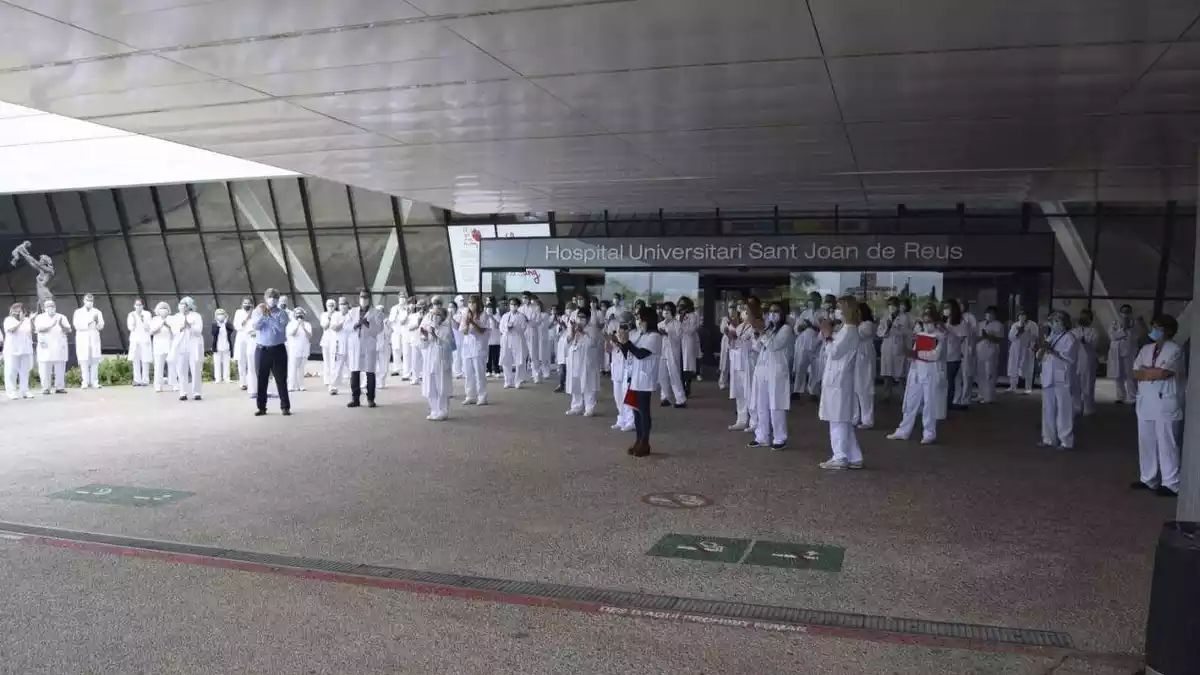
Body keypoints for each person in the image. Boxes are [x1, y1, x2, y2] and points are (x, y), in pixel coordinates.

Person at [1131, 315, 1184, 496]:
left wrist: (1147, 371)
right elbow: (1135, 372)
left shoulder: (1175, 349)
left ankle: (1171, 482)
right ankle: (1148, 478)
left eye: (1158, 327)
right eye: (1153, 327)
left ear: (1169, 330)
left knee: (1167, 442)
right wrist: (1150, 372)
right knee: (1146, 441)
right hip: (1146, 400)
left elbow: (1164, 373)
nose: (1154, 331)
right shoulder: (1146, 349)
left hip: (1165, 400)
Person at [889, 305, 948, 444]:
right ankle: (903, 431)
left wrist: (916, 354)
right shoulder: (921, 335)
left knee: (929, 403)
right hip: (917, 371)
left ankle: (929, 433)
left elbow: (935, 355)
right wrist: (910, 354)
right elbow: (915, 351)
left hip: (931, 372)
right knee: (910, 402)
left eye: (929, 321)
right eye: (925, 321)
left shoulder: (940, 337)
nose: (927, 325)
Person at [818, 296, 864, 470]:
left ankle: (840, 456)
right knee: (842, 418)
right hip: (837, 379)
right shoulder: (844, 329)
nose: (836, 311)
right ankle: (854, 456)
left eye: (839, 307)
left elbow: (835, 352)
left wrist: (828, 335)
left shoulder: (849, 330)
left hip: (840, 379)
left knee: (837, 418)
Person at [615, 306, 661, 457]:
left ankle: (645, 442)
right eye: (638, 319)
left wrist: (626, 342)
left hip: (645, 379)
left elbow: (641, 354)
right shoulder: (639, 335)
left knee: (643, 411)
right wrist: (620, 343)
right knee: (635, 411)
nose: (639, 322)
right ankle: (638, 440)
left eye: (641, 319)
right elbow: (628, 353)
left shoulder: (654, 337)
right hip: (634, 377)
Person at [748, 302, 794, 450]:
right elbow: (758, 347)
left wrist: (763, 332)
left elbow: (775, 345)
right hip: (762, 369)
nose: (772, 314)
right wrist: (758, 334)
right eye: (771, 311)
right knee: (761, 404)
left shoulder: (786, 329)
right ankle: (761, 436)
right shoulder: (770, 328)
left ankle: (779, 438)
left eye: (776, 311)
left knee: (776, 405)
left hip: (777, 370)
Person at [1037, 310, 1079, 450]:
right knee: (1048, 409)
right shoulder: (1051, 336)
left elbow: (1069, 357)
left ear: (1064, 323)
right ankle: (1049, 438)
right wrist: (1041, 349)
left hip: (1062, 377)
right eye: (1053, 322)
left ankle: (1066, 441)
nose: (1054, 324)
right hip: (1048, 376)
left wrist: (1051, 350)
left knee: (1064, 409)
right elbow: (1041, 355)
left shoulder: (1070, 338)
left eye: (1057, 322)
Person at [251, 288, 292, 416]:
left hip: (278, 349)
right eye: (270, 297)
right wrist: (264, 314)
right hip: (262, 349)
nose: (272, 300)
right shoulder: (258, 311)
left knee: (281, 379)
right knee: (261, 379)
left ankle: (285, 407)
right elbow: (256, 326)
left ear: (278, 299)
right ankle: (261, 407)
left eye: (275, 297)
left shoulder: (282, 313)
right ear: (265, 298)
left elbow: (280, 328)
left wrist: (269, 315)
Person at [342, 291, 383, 409]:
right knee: (355, 371)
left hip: (369, 344)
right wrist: (356, 324)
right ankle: (355, 399)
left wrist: (368, 324)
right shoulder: (352, 312)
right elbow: (346, 327)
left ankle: (370, 399)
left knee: (370, 372)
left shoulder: (376, 313)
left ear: (370, 299)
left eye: (365, 297)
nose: (363, 299)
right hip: (355, 344)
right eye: (362, 297)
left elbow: (379, 328)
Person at [565, 305, 602, 416]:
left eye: (583, 317)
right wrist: (572, 333)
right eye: (578, 317)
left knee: (588, 383)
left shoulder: (592, 329)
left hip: (587, 361)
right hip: (575, 359)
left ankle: (590, 407)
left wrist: (582, 333)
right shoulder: (573, 327)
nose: (580, 320)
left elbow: (592, 343)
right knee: (575, 382)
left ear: (588, 318)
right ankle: (576, 406)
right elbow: (567, 341)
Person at [728, 302, 759, 432]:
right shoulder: (740, 326)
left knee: (750, 392)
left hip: (749, 362)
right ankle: (741, 420)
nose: (743, 313)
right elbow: (733, 342)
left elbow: (757, 346)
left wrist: (747, 341)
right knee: (740, 392)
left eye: (746, 311)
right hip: (737, 361)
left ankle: (754, 421)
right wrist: (731, 337)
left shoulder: (755, 327)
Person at [420, 304, 454, 420]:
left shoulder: (446, 327)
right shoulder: (429, 326)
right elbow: (424, 345)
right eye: (432, 314)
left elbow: (446, 344)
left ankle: (443, 411)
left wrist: (434, 334)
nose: (434, 317)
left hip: (441, 361)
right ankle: (434, 410)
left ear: (443, 316)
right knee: (431, 385)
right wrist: (424, 336)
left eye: (437, 314)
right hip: (430, 360)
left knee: (442, 385)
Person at [170, 296, 205, 401]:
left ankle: (197, 392)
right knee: (181, 369)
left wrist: (190, 326)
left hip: (193, 345)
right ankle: (183, 392)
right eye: (181, 304)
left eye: (184, 304)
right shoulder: (176, 316)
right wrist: (181, 327)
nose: (182, 306)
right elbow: (174, 330)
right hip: (181, 346)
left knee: (195, 369)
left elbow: (199, 330)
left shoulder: (196, 316)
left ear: (189, 306)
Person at [877, 296, 911, 402]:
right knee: (887, 374)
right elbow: (879, 332)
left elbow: (907, 332)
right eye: (890, 305)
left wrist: (896, 328)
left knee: (901, 374)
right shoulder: (885, 316)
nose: (892, 307)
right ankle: (887, 395)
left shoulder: (904, 317)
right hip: (887, 347)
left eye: (894, 305)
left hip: (899, 347)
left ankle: (905, 396)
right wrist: (887, 328)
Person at [33, 299, 71, 395]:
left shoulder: (61, 317)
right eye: (49, 306)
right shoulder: (40, 318)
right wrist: (52, 325)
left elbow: (68, 329)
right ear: (44, 308)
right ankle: (46, 388)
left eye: (52, 306)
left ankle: (60, 387)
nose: (51, 308)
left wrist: (62, 326)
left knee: (60, 369)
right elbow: (39, 329)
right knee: (45, 369)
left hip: (59, 347)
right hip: (45, 347)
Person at [608, 310, 636, 431]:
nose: (622, 325)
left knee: (628, 395)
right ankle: (621, 419)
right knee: (618, 395)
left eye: (624, 322)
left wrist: (623, 342)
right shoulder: (617, 333)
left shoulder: (634, 334)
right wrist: (611, 340)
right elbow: (609, 349)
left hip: (628, 368)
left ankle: (631, 421)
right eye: (620, 322)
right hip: (617, 367)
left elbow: (631, 350)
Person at [460, 295, 490, 406]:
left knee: (479, 373)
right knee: (468, 373)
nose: (471, 305)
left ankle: (482, 396)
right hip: (467, 347)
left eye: (473, 303)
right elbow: (464, 332)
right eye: (469, 303)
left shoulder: (483, 315)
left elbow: (482, 331)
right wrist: (467, 322)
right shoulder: (465, 314)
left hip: (479, 347)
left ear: (478, 304)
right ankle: (470, 396)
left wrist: (472, 322)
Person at [657, 301, 687, 408]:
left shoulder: (677, 324)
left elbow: (679, 337)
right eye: (664, 309)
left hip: (672, 352)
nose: (666, 312)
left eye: (668, 310)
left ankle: (680, 399)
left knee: (674, 375)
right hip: (662, 352)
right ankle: (665, 397)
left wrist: (667, 334)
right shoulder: (659, 324)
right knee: (662, 376)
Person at [72, 293, 105, 389]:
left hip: (94, 338)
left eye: (91, 301)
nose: (89, 303)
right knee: (84, 360)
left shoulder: (97, 312)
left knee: (94, 360)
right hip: (83, 338)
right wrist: (89, 322)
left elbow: (101, 325)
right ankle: (85, 382)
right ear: (84, 301)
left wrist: (98, 323)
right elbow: (76, 325)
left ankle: (94, 381)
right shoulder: (78, 312)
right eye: (87, 300)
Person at [3, 303, 34, 400]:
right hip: (12, 350)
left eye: (19, 309)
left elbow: (31, 331)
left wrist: (32, 321)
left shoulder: (27, 320)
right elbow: (11, 330)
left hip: (25, 350)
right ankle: (11, 391)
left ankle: (24, 391)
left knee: (25, 371)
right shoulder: (8, 320)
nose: (17, 311)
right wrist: (20, 321)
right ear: (11, 311)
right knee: (11, 371)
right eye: (15, 309)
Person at [1072, 308, 1099, 416]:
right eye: (1082, 317)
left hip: (1088, 362)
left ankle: (1088, 407)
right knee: (1075, 385)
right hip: (1075, 361)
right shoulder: (1074, 331)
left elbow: (1093, 345)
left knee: (1087, 386)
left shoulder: (1094, 332)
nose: (1083, 319)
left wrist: (1084, 342)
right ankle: (1077, 406)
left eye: (1085, 317)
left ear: (1090, 319)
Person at [941, 299, 968, 411]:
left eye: (948, 307)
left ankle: (948, 403)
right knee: (942, 380)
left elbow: (961, 337)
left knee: (949, 380)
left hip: (953, 355)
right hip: (941, 354)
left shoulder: (962, 322)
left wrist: (948, 329)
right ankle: (941, 402)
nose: (946, 310)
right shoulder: (943, 320)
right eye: (944, 308)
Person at [854, 302, 877, 428]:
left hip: (865, 356)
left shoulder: (868, 325)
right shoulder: (855, 325)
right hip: (857, 357)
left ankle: (867, 420)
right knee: (856, 389)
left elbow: (858, 335)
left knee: (865, 388)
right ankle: (856, 417)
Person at [974, 306, 1005, 404]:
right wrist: (981, 337)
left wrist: (988, 336)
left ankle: (989, 396)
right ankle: (981, 394)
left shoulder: (998, 325)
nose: (989, 315)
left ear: (995, 315)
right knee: (980, 374)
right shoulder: (980, 324)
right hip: (980, 351)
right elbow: (977, 338)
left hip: (991, 352)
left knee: (989, 374)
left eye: (991, 313)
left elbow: (999, 339)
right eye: (988, 313)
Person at [1109, 304, 1137, 404]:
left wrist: (1125, 330)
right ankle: (1120, 396)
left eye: (1127, 311)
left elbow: (1134, 336)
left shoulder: (1135, 323)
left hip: (1129, 353)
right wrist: (1123, 330)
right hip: (1116, 352)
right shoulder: (1115, 323)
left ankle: (1132, 396)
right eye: (1123, 311)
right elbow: (1112, 336)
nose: (1125, 314)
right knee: (1118, 375)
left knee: (1130, 375)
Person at [499, 297, 528, 389]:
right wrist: (507, 327)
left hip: (517, 339)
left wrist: (514, 327)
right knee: (506, 360)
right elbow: (501, 328)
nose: (513, 306)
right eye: (511, 304)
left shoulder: (521, 316)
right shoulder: (505, 316)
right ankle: (508, 381)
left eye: (515, 304)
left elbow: (523, 328)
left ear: (518, 306)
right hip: (506, 339)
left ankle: (518, 381)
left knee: (519, 361)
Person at [1007, 310, 1037, 394]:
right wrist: (1018, 332)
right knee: (1013, 367)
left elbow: (1034, 336)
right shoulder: (1015, 325)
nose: (1022, 317)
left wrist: (1032, 347)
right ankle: (1012, 386)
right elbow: (1010, 337)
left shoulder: (1032, 325)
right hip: (1015, 348)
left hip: (1027, 348)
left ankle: (1028, 387)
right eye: (1020, 315)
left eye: (1023, 315)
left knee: (1028, 368)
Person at [955, 299, 978, 406]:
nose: (959, 307)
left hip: (966, 348)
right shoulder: (953, 317)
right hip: (955, 348)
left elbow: (974, 333)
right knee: (956, 375)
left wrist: (971, 348)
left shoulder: (970, 317)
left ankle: (965, 399)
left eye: (961, 304)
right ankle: (956, 398)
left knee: (966, 374)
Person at [126, 299, 153, 387]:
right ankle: (137, 380)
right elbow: (130, 327)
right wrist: (134, 320)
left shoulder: (147, 314)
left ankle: (145, 380)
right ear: (134, 305)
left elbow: (149, 326)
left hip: (144, 339)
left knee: (145, 360)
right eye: (137, 305)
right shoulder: (131, 314)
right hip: (135, 339)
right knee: (135, 360)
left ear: (143, 305)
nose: (138, 306)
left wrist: (142, 320)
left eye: (140, 305)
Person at [678, 297, 701, 397]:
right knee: (680, 363)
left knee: (688, 365)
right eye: (680, 305)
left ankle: (688, 386)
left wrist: (683, 322)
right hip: (678, 341)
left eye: (683, 305)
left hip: (689, 341)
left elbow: (691, 329)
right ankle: (681, 386)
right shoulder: (678, 315)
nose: (682, 307)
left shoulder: (694, 315)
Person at [286, 307, 312, 392]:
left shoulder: (307, 324)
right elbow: (292, 334)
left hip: (304, 348)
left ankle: (301, 385)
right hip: (294, 349)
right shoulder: (290, 324)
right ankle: (291, 386)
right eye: (297, 314)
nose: (299, 315)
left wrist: (303, 327)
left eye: (301, 313)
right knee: (292, 367)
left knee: (301, 367)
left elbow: (309, 336)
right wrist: (297, 325)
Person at [149, 302, 174, 392]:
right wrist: (161, 325)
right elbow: (151, 332)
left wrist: (167, 325)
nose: (163, 310)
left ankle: (174, 384)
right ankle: (158, 385)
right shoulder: (155, 319)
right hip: (158, 346)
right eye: (161, 308)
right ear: (158, 310)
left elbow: (175, 331)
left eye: (165, 308)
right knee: (158, 366)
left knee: (172, 365)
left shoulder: (171, 319)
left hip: (169, 345)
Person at [232, 297, 256, 392]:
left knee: (251, 360)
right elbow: (236, 325)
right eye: (245, 303)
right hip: (241, 338)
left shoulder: (255, 313)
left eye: (248, 303)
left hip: (251, 338)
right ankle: (243, 382)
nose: (246, 304)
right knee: (241, 361)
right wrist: (246, 318)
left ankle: (251, 382)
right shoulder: (238, 312)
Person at [327, 298, 348, 395]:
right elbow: (335, 328)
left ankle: (358, 387)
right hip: (338, 345)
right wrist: (343, 321)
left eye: (345, 304)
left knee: (355, 367)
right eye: (341, 304)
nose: (343, 306)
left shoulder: (352, 314)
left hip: (351, 345)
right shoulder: (336, 315)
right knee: (336, 366)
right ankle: (333, 386)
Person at [554, 302, 577, 393]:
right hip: (562, 342)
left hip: (571, 342)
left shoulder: (576, 318)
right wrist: (560, 326)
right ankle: (561, 384)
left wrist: (568, 328)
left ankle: (570, 385)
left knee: (571, 365)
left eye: (571, 309)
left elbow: (573, 331)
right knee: (562, 364)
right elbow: (558, 332)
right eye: (567, 309)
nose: (569, 311)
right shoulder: (563, 317)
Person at [403, 299, 425, 385]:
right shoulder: (412, 316)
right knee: (415, 360)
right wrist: (418, 323)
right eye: (419, 306)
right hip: (415, 340)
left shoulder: (428, 315)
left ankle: (424, 376)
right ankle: (415, 378)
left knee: (425, 360)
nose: (421, 308)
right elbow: (410, 328)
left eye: (423, 306)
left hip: (426, 341)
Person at [319, 299, 341, 386]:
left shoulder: (338, 314)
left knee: (334, 361)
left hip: (335, 341)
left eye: (332, 305)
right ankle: (326, 379)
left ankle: (334, 378)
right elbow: (324, 327)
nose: (330, 307)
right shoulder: (324, 315)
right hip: (325, 341)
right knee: (326, 361)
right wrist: (329, 318)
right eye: (329, 305)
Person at [211, 308, 235, 384]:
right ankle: (218, 378)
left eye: (222, 314)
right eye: (219, 314)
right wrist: (218, 324)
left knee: (226, 363)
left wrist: (225, 322)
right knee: (217, 363)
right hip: (217, 346)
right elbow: (213, 333)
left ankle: (227, 377)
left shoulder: (228, 324)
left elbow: (231, 330)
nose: (220, 315)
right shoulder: (214, 324)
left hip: (226, 346)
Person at [718, 303, 738, 390]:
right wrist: (728, 327)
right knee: (724, 363)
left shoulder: (739, 319)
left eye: (734, 307)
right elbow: (723, 329)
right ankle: (722, 382)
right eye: (730, 307)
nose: (732, 309)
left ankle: (734, 383)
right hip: (726, 341)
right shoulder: (725, 319)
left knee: (734, 363)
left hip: (735, 342)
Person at [387, 295, 407, 378]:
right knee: (396, 351)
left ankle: (407, 370)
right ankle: (396, 369)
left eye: (403, 297)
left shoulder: (407, 308)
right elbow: (391, 320)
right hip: (396, 332)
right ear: (398, 299)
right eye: (401, 297)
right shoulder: (394, 308)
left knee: (406, 352)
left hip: (405, 332)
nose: (402, 299)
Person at [374, 305, 391, 389]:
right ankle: (369, 382)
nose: (379, 313)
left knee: (384, 365)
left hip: (384, 345)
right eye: (378, 311)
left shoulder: (387, 322)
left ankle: (382, 382)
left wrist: (387, 326)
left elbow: (389, 333)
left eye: (381, 311)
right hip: (373, 346)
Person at [484, 298, 502, 379]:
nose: (489, 310)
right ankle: (488, 370)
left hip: (496, 340)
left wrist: (491, 317)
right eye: (488, 308)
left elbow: (498, 326)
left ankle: (497, 371)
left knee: (496, 356)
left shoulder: (496, 315)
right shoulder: (484, 317)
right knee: (488, 356)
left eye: (490, 308)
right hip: (487, 340)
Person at [449, 296, 465, 380]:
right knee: (454, 356)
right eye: (449, 307)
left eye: (452, 307)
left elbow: (457, 326)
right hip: (452, 338)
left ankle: (461, 371)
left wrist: (451, 318)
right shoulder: (447, 317)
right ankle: (456, 371)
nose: (450, 309)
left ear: (455, 308)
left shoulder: (459, 315)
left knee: (460, 355)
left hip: (459, 338)